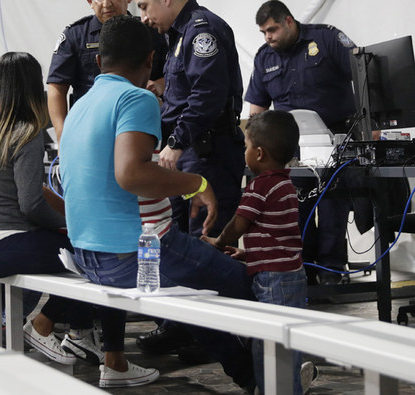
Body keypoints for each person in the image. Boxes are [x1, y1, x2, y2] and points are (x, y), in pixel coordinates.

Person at [60, 15, 255, 389]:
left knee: (197, 292)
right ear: (151, 60)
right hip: (135, 254)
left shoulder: (80, 105)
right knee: (247, 284)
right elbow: (131, 174)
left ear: (99, 62)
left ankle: (250, 376)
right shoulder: (136, 97)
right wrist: (195, 182)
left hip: (87, 255)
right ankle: (281, 379)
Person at [0, 52, 102, 365]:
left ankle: (77, 334)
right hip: (8, 244)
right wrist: (68, 225)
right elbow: (31, 205)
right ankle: (46, 325)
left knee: (76, 250)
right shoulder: (26, 132)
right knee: (89, 253)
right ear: (31, 86)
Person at [136, 0, 246, 358]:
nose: (143, 16)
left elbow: (207, 94)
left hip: (206, 151)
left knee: (207, 242)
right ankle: (184, 328)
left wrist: (177, 142)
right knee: (182, 242)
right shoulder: (177, 36)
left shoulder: (201, 31)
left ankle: (221, 336)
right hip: (191, 150)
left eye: (145, 4)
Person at [202, 110, 316, 394]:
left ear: (260, 153)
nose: (245, 152)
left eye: (246, 146)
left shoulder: (259, 186)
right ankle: (290, 386)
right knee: (288, 343)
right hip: (290, 275)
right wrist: (249, 255)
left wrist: (218, 242)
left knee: (270, 347)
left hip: (274, 282)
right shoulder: (285, 184)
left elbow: (238, 225)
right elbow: (279, 237)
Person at [244, 0, 357, 285]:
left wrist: (372, 127)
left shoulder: (327, 39)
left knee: (332, 208)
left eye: (272, 30)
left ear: (289, 22)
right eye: (263, 33)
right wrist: (253, 145)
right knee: (293, 209)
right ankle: (303, 270)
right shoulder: (264, 57)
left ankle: (331, 271)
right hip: (289, 147)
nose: (268, 37)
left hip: (335, 140)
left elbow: (363, 75)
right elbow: (256, 108)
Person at [46, 0, 166, 142]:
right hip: (92, 129)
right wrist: (62, 136)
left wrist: (161, 84)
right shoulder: (76, 35)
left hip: (140, 123)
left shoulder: (150, 30)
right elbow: (56, 87)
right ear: (90, 2)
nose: (106, 4)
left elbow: (178, 71)